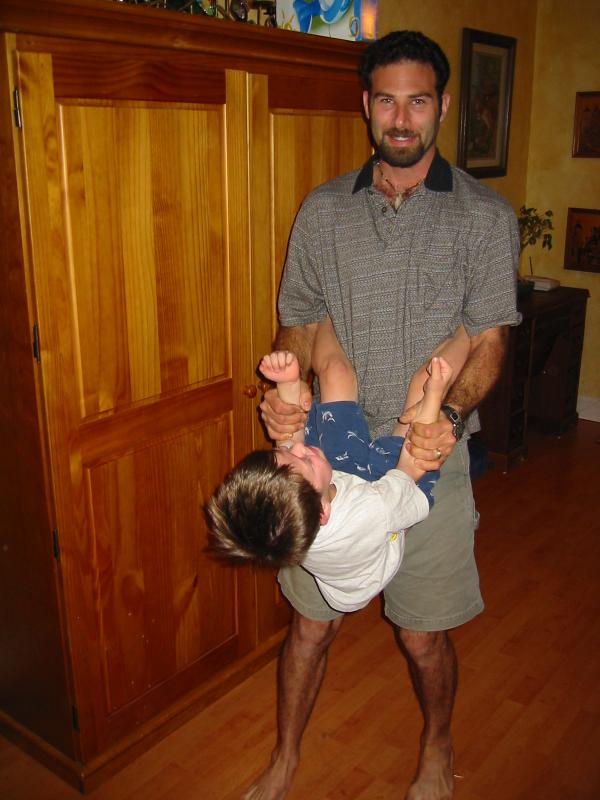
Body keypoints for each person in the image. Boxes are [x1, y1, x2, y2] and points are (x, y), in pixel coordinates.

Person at [247, 30, 520, 800]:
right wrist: (284, 393)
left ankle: (437, 743)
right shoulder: (324, 211)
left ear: (442, 106)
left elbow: (489, 339)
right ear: (367, 105)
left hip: (426, 450)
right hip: (329, 449)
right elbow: (300, 324)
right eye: (388, 101)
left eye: (418, 101)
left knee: (421, 634)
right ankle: (285, 757)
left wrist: (447, 417)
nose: (401, 119)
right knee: (311, 625)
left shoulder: (484, 217)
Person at [208, 320, 469, 613]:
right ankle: (470, 329)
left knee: (335, 373)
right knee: (424, 383)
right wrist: (435, 393)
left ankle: (326, 313)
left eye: (286, 453)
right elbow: (413, 460)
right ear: (323, 512)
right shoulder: (371, 512)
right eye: (305, 459)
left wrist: (289, 382)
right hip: (383, 527)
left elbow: (290, 439)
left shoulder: (295, 506)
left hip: (335, 484)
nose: (300, 447)